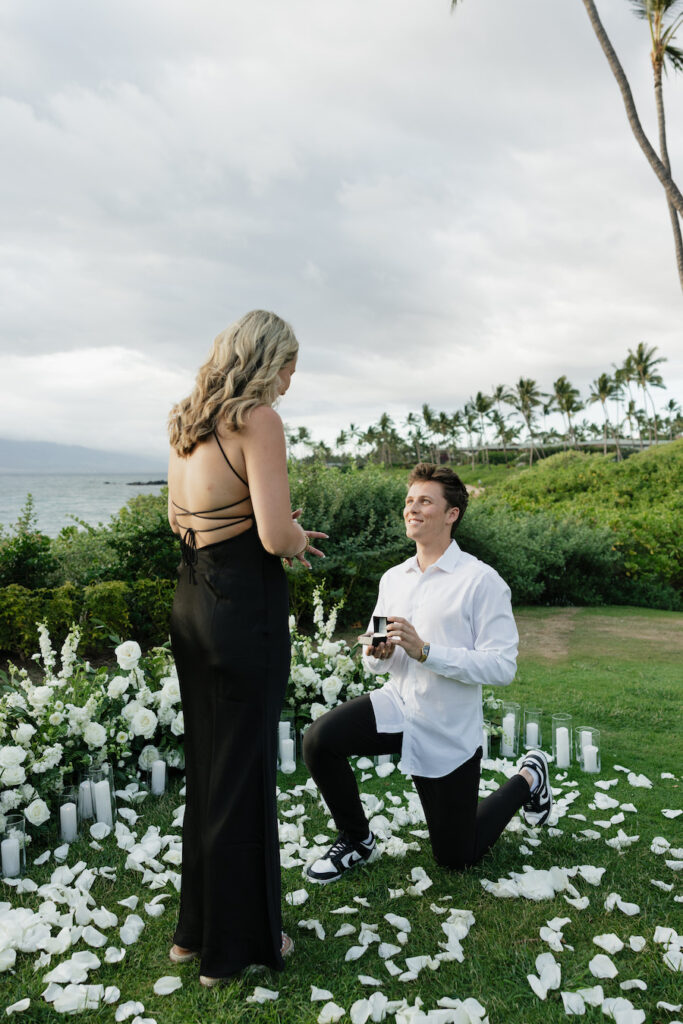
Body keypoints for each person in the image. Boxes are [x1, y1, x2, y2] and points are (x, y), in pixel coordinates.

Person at [166, 310, 326, 983]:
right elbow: (272, 535)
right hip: (241, 608)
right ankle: (232, 951)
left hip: (192, 601)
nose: (290, 381)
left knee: (209, 769)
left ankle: (192, 935)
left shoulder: (187, 422)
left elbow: (179, 518)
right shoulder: (257, 420)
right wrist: (298, 537)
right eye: (288, 366)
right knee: (242, 773)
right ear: (266, 360)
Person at [303, 463, 552, 884]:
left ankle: (529, 777)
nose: (411, 509)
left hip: (446, 725)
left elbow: (502, 666)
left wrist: (426, 652)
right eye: (408, 501)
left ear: (452, 513)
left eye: (424, 501)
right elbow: (374, 656)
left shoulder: (481, 581)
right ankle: (356, 839)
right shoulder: (393, 578)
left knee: (457, 856)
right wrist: (377, 653)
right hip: (398, 705)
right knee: (319, 740)